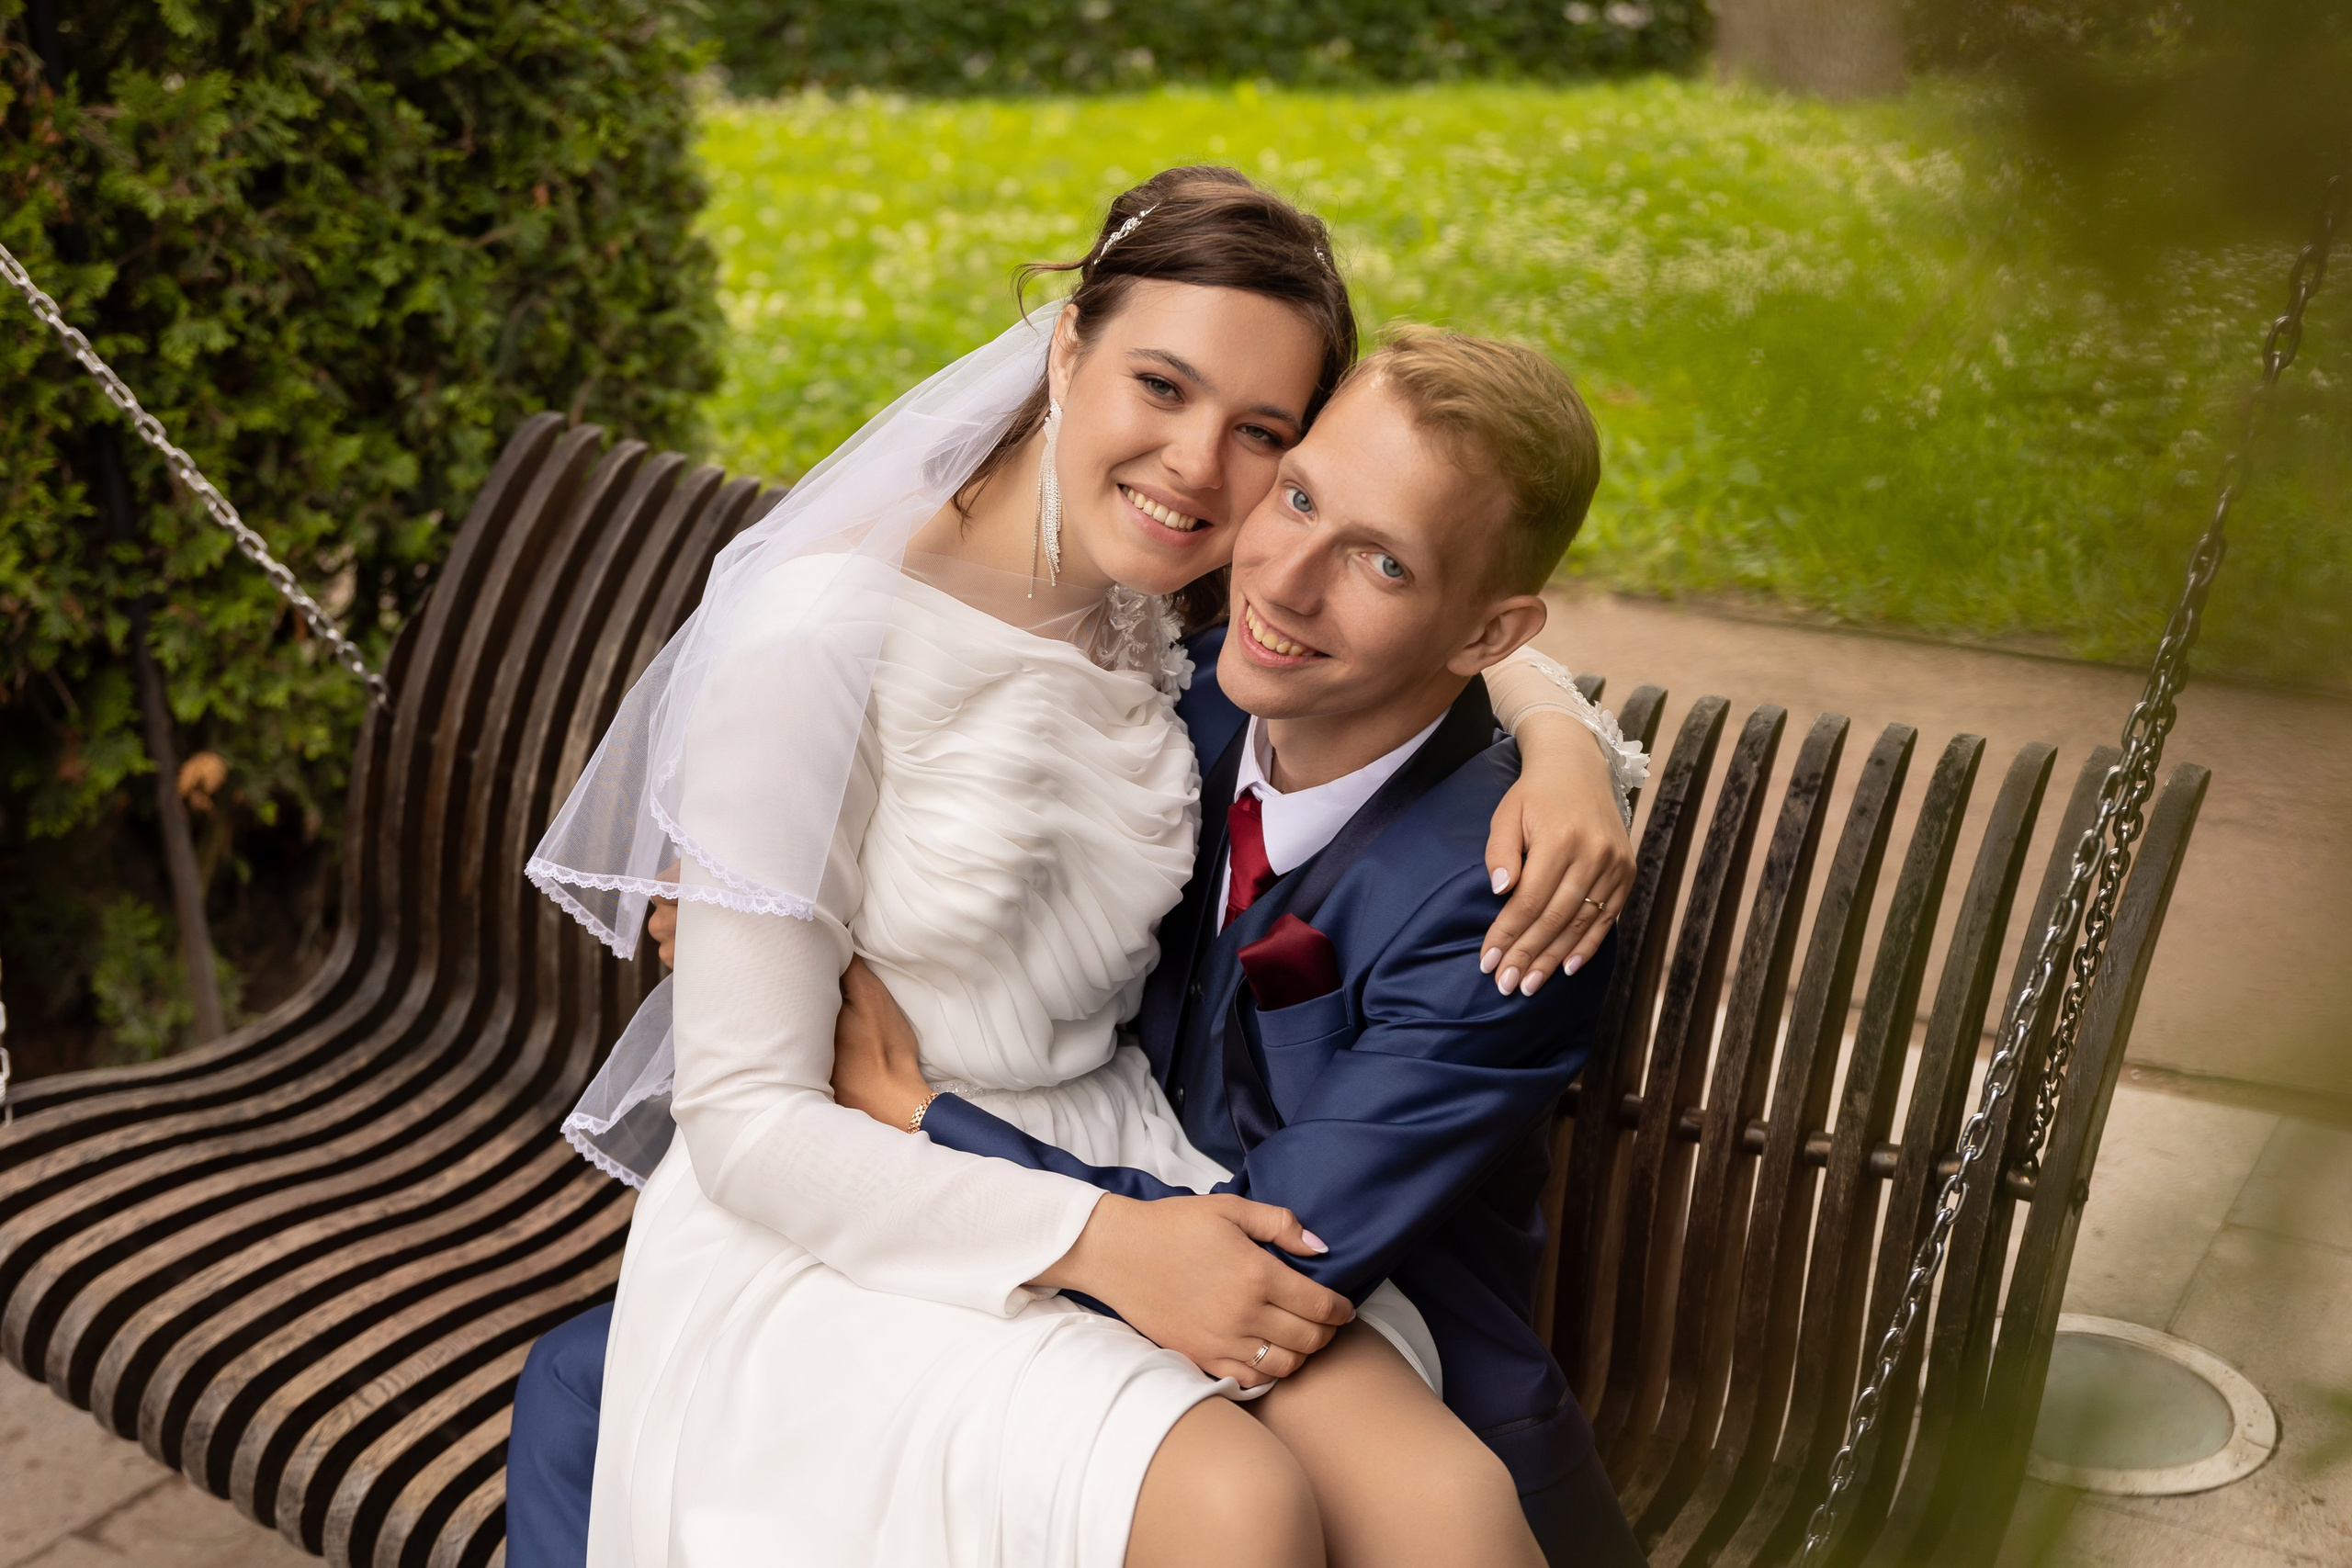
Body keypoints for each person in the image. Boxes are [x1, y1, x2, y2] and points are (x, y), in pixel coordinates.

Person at [516, 168, 1645, 1568]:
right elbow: (747, 1119)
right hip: (842, 1207)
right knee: (1244, 1505)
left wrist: (1562, 741)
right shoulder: (821, 633)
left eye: (1259, 436)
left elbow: (1416, 601)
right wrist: (1097, 1242)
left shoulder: (1162, 602)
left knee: (1439, 1513)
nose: (1194, 468)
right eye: (1158, 386)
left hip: (1119, 1150)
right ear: (1064, 345)